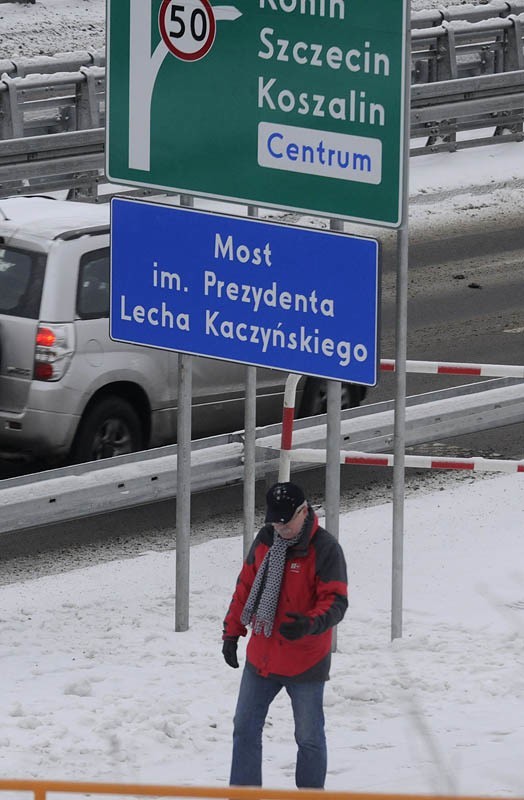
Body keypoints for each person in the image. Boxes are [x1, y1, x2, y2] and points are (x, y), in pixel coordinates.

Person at [222, 480, 348, 789]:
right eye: (274, 521)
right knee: (244, 728)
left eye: (286, 520)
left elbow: (336, 601)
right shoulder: (266, 540)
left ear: (304, 511)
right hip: (262, 656)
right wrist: (232, 632)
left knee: (308, 737)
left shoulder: (325, 549)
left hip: (305, 662)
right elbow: (245, 586)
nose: (280, 527)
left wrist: (308, 624)